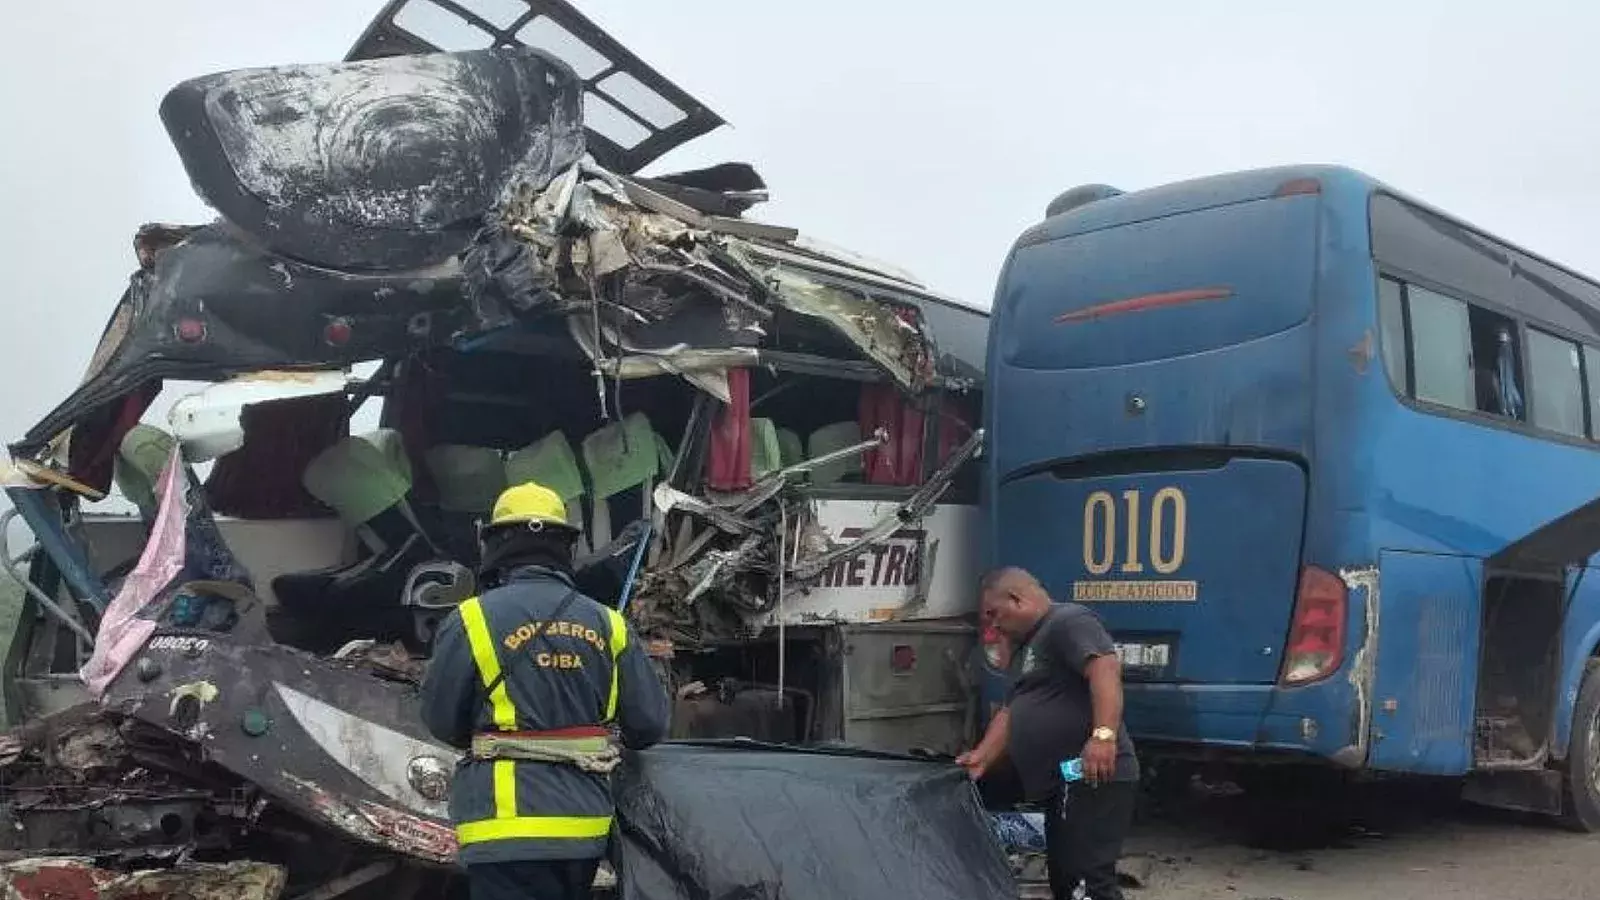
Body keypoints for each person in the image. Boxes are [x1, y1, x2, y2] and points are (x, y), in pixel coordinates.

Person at [420, 481, 670, 900]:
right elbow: (649, 726)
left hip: (503, 827)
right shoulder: (609, 624)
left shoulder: (471, 620)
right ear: (565, 549)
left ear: (495, 543)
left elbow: (441, 722)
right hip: (583, 830)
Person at [956, 567, 1138, 900]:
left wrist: (1102, 736)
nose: (993, 625)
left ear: (1017, 599)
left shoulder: (1067, 621)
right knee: (1066, 878)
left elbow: (1104, 668)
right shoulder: (1028, 647)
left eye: (995, 614)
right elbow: (1013, 711)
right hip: (1064, 781)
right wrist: (981, 757)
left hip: (1092, 774)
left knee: (1088, 881)